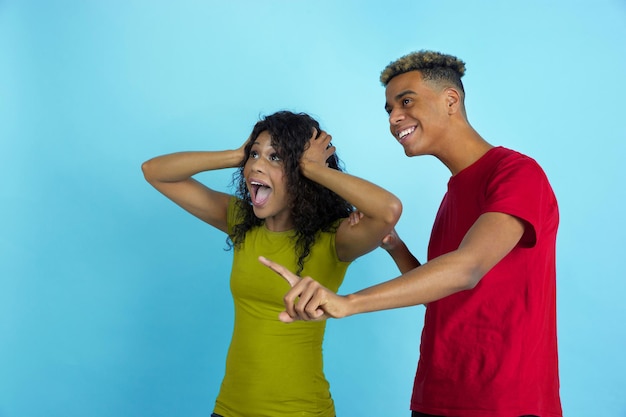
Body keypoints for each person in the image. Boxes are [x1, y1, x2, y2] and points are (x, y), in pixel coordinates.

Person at [259, 51, 562, 417]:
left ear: (451, 100)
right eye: (388, 109)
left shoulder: (517, 174)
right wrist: (395, 246)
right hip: (436, 396)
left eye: (406, 101)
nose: (394, 118)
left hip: (503, 402)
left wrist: (347, 302)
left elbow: (467, 269)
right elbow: (440, 293)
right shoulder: (453, 195)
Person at [141, 110, 402, 417]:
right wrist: (236, 155)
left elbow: (388, 210)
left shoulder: (335, 238)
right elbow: (154, 171)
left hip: (301, 411)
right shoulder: (241, 221)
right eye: (255, 154)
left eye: (276, 157)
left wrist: (312, 168)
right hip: (228, 409)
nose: (257, 165)